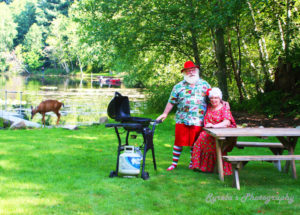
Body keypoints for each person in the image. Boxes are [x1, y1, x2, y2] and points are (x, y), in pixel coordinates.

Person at [156, 61, 211, 171]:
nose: (191, 72)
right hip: (182, 118)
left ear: (197, 71)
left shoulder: (205, 85)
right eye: (188, 71)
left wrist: (221, 108)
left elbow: (213, 100)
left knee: (195, 143)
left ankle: (192, 164)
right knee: (178, 142)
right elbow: (171, 101)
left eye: (193, 70)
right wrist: (165, 113)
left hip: (198, 119)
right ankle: (174, 164)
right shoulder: (178, 86)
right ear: (184, 73)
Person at [191, 87, 236, 175]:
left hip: (220, 133)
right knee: (199, 141)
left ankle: (211, 167)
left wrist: (214, 126)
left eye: (216, 98)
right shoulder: (208, 107)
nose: (213, 100)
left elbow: (226, 122)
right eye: (211, 98)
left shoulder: (224, 108)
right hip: (208, 132)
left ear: (220, 98)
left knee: (208, 142)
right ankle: (200, 166)